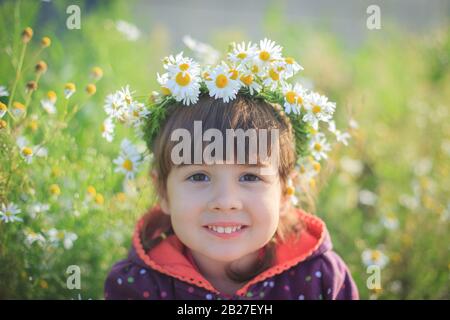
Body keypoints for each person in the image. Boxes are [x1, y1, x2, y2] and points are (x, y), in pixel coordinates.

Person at [104, 39, 358, 300]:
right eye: (199, 176)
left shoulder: (320, 279)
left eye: (250, 176)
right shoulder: (136, 285)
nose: (225, 202)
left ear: (285, 192)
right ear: (163, 192)